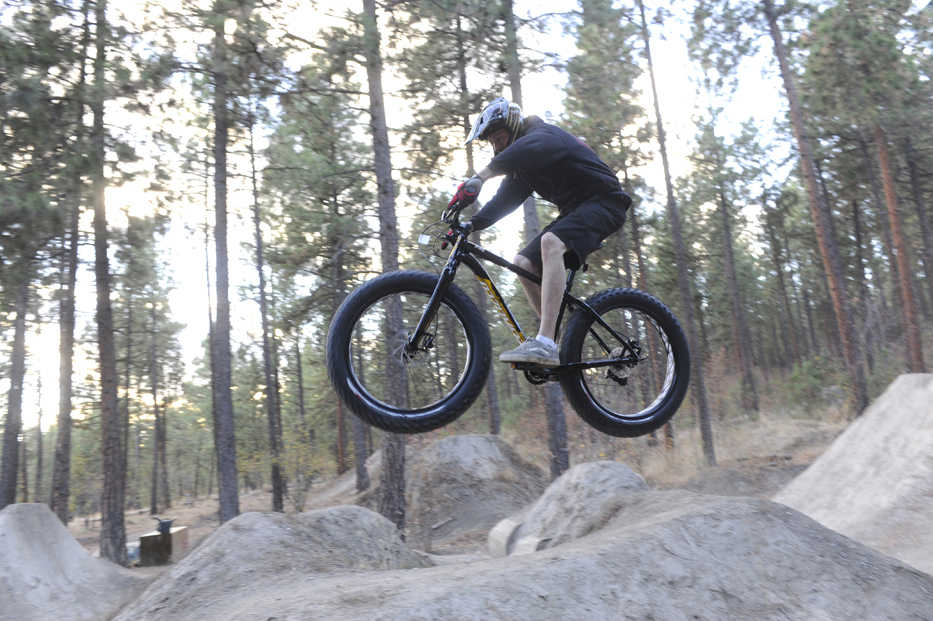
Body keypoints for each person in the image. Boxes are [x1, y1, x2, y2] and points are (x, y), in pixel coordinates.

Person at [448, 96, 632, 367]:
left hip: (606, 202)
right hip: (575, 212)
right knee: (523, 263)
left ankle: (545, 341)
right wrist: (470, 224)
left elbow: (529, 149)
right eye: (493, 143)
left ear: (514, 128)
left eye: (499, 139)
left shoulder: (543, 135)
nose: (497, 147)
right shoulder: (524, 170)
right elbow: (504, 202)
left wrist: (481, 176)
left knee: (551, 241)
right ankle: (552, 343)